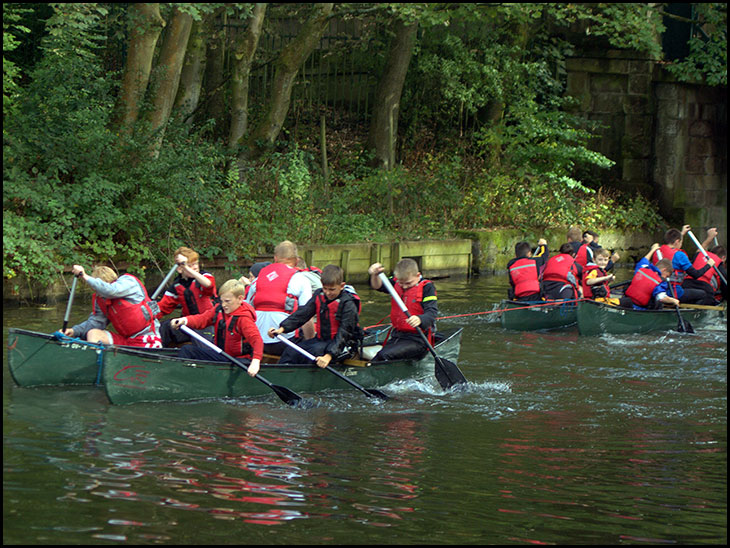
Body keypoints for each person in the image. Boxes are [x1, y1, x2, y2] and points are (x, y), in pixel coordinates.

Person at [268, 265, 363, 368]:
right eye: (325, 288)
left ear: (342, 286)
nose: (327, 293)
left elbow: (345, 332)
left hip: (343, 344)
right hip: (321, 340)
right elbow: (303, 313)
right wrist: (282, 329)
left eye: (332, 289)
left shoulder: (348, 304)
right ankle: (281, 373)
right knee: (290, 351)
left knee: (313, 353)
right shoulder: (319, 295)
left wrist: (329, 355)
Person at [171, 279, 262, 376]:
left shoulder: (244, 319)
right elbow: (202, 319)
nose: (224, 305)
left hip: (239, 360)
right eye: (222, 301)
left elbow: (257, 340)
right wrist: (184, 320)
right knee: (187, 350)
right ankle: (180, 375)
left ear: (240, 299)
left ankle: (183, 377)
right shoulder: (219, 310)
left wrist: (255, 362)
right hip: (222, 355)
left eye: (227, 301)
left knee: (189, 351)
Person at [63, 265, 162, 348]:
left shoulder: (128, 282)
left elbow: (110, 291)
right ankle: (97, 364)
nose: (97, 291)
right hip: (126, 341)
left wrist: (84, 275)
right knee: (93, 333)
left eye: (97, 287)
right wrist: (74, 331)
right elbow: (95, 323)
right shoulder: (101, 298)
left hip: (148, 339)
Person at [245, 240, 314, 354]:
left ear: (275, 258)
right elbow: (307, 316)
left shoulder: (257, 279)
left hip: (256, 341)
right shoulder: (301, 279)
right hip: (284, 342)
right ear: (296, 261)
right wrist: (310, 343)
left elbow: (246, 309)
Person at [368, 258, 438, 362]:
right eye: (401, 283)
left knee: (383, 356)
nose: (404, 286)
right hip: (398, 334)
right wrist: (375, 275)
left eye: (408, 283)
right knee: (379, 356)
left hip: (418, 338)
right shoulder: (396, 281)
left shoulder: (427, 288)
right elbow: (377, 286)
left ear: (418, 275)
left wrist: (419, 319)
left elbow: (432, 313)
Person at [156, 247, 218, 347]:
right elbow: (163, 307)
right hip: (187, 324)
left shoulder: (204, 276)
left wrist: (187, 267)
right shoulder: (177, 286)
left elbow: (209, 285)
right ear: (180, 269)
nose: (195, 268)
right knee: (164, 327)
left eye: (196, 264)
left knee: (203, 343)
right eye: (191, 265)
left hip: (207, 323)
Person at [624, 244, 681, 310]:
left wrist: (653, 250)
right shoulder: (660, 281)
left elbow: (644, 260)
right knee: (658, 303)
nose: (665, 278)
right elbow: (661, 297)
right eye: (667, 275)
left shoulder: (643, 268)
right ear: (664, 270)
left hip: (627, 304)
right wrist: (674, 300)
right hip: (641, 309)